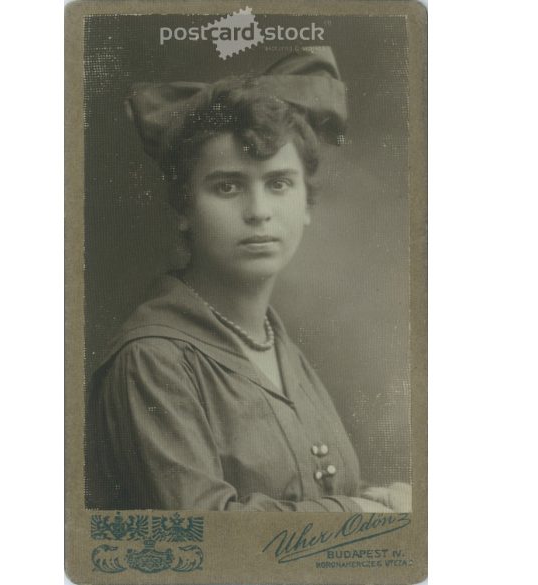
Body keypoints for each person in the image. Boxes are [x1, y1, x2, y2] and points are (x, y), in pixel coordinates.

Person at [86, 47, 411, 512]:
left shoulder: (278, 347)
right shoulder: (153, 359)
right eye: (228, 186)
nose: (259, 212)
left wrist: (383, 502)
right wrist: (360, 516)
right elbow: (207, 536)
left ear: (306, 204)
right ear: (183, 208)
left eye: (279, 183)